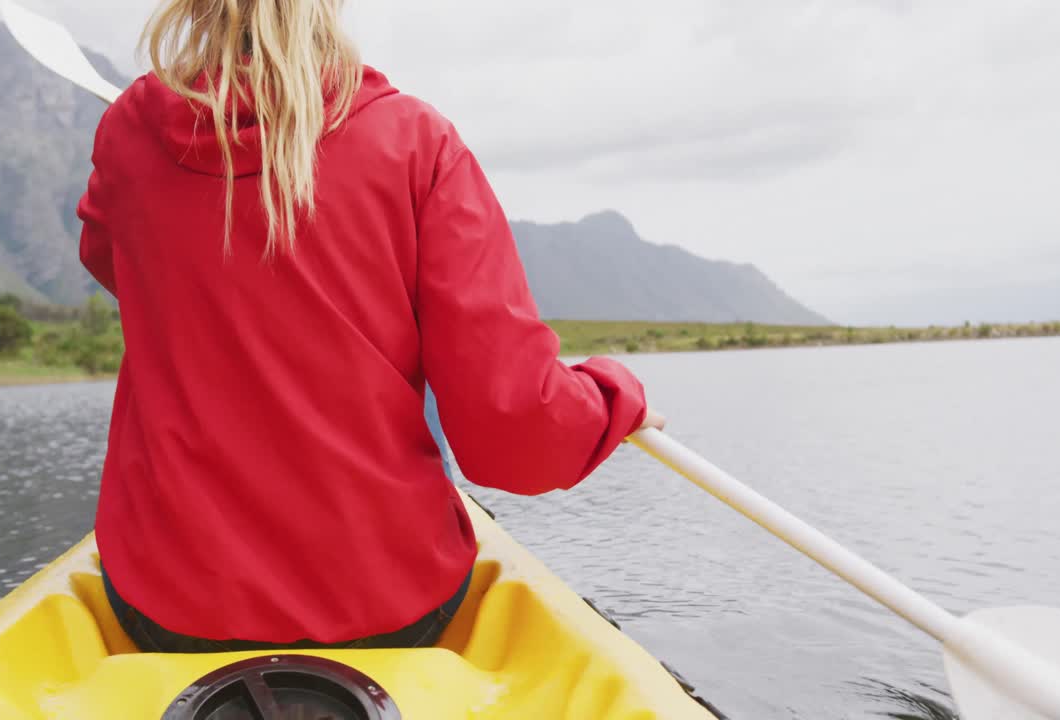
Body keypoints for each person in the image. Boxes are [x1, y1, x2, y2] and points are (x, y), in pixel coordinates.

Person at [78, 0, 664, 654]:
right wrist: (613, 396)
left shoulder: (128, 134)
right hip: (388, 604)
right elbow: (514, 432)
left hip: (169, 605)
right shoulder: (417, 142)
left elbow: (108, 256)